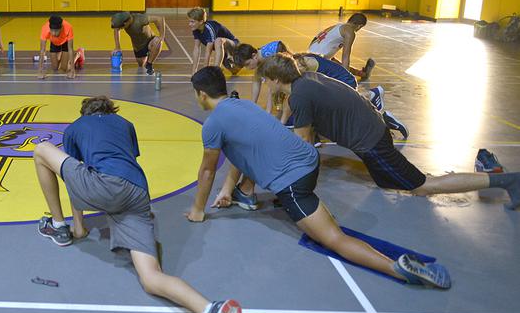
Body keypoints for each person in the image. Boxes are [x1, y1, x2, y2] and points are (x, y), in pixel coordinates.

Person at [188, 66, 451, 289]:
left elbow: (207, 170)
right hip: (310, 161)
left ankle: (397, 268)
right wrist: (228, 189)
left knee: (333, 239)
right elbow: (242, 148)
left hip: (293, 183)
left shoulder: (213, 124)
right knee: (311, 207)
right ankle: (252, 194)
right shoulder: (243, 104)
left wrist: (198, 209)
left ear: (201, 94)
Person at [33, 95, 242, 313]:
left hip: (105, 187)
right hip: (138, 194)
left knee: (41, 150)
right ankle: (210, 311)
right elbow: (125, 162)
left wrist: (79, 228)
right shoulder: (125, 123)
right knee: (151, 278)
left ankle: (58, 227)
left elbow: (77, 173)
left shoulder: (76, 128)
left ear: (84, 113)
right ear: (111, 109)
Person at [257, 53, 520, 209]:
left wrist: (286, 185)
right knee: (385, 181)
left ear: (277, 80)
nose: (264, 84)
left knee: (424, 187)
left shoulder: (300, 96)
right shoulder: (306, 80)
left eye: (265, 80)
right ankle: (421, 176)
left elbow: (303, 149)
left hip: (371, 142)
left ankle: (507, 181)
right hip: (372, 128)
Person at [292, 52, 408, 139]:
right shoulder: (301, 59)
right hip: (339, 79)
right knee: (348, 115)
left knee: (341, 116)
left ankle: (372, 98)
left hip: (343, 81)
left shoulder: (300, 66)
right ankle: (380, 112)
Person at [308, 13, 375, 80]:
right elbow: (345, 56)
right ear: (360, 26)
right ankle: (362, 74)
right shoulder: (349, 31)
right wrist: (345, 78)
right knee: (342, 69)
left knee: (336, 63)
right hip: (318, 62)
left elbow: (317, 42)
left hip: (310, 57)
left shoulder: (338, 26)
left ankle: (362, 73)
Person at [232, 41, 288, 112]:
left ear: (254, 56)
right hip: (277, 53)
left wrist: (268, 111)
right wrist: (253, 104)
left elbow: (272, 88)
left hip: (280, 58)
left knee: (276, 86)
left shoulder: (268, 58)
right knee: (258, 76)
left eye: (247, 64)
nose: (247, 68)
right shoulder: (258, 58)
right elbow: (256, 80)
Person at [187, 7, 238, 74]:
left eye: (192, 22)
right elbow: (196, 48)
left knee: (218, 40)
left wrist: (205, 72)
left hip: (234, 46)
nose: (189, 24)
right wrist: (194, 72)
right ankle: (234, 63)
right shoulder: (196, 29)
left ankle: (216, 73)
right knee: (234, 71)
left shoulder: (209, 29)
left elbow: (208, 53)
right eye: (189, 21)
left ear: (201, 22)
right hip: (223, 51)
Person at [38, 15, 75, 80]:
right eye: (52, 31)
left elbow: (70, 49)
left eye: (56, 31)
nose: (54, 33)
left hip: (65, 42)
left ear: (61, 28)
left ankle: (77, 55)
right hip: (54, 42)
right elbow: (42, 50)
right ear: (50, 28)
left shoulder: (68, 27)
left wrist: (72, 71)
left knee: (63, 69)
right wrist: (40, 71)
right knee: (55, 68)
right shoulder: (45, 29)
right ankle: (62, 56)